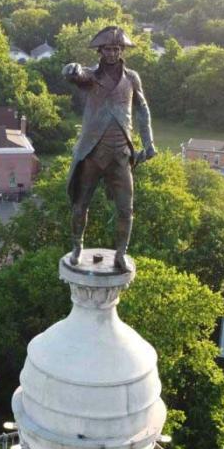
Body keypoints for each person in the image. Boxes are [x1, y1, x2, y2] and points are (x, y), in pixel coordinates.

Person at [63, 25, 156, 271]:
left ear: (122, 50)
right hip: (93, 152)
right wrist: (70, 69)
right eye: (107, 49)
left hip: (121, 154)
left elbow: (142, 110)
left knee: (126, 208)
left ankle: (121, 253)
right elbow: (76, 74)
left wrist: (149, 143)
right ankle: (77, 246)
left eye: (117, 48)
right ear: (100, 51)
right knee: (80, 204)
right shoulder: (91, 76)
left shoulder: (132, 78)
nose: (113, 53)